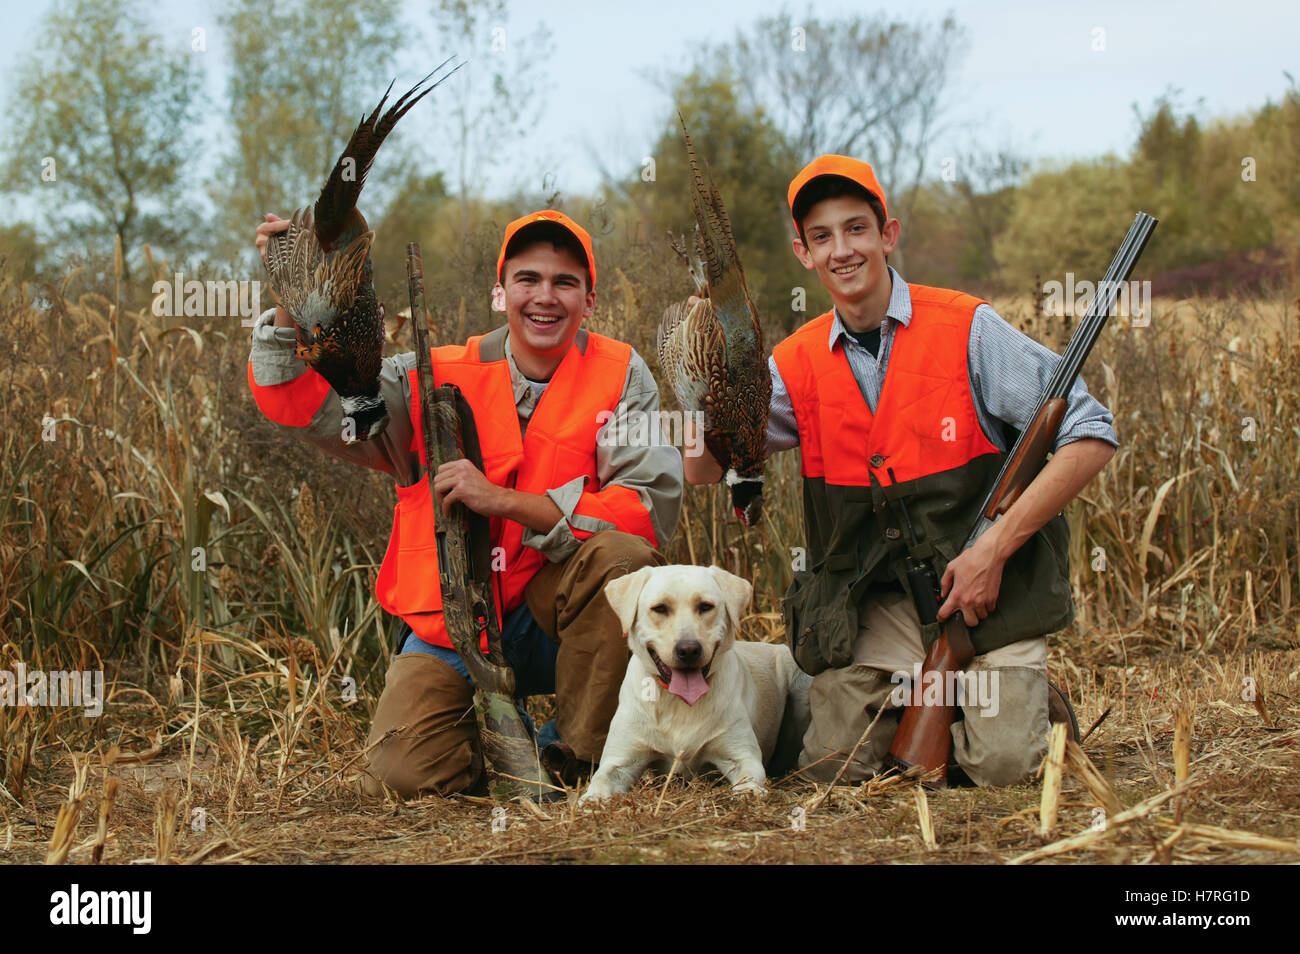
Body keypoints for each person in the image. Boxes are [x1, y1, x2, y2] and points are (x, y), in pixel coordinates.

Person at [684, 156, 1117, 786]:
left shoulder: (968, 328)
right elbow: (702, 469)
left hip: (987, 596)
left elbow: (1091, 432)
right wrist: (708, 372)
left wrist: (994, 550)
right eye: (823, 237)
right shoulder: (794, 363)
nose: (842, 250)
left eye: (856, 229)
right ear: (803, 253)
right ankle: (934, 700)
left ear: (888, 234)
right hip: (877, 609)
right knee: (831, 770)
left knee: (1000, 772)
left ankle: (1031, 709)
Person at [249, 209, 681, 797]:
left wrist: (501, 500)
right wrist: (294, 295)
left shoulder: (620, 374)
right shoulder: (428, 375)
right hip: (453, 620)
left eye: (565, 282)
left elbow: (644, 510)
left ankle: (570, 758)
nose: (545, 297)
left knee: (625, 561)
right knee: (402, 773)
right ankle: (502, 751)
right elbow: (304, 406)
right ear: (500, 294)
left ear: (590, 300)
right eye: (528, 279)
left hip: (557, 610)